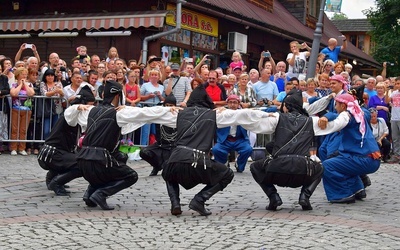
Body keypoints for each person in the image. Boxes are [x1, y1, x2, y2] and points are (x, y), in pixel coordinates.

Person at [64, 80, 179, 210]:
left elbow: (68, 114)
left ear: (103, 96)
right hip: (99, 160)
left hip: (82, 160)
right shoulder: (118, 113)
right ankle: (100, 194)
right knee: (130, 175)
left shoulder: (90, 110)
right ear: (118, 96)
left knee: (118, 159)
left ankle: (89, 194)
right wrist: (169, 109)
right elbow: (146, 113)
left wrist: (77, 107)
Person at [162, 84, 234, 216]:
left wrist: (124, 109)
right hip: (198, 161)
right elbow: (243, 115)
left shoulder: (177, 113)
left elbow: (148, 114)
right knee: (227, 174)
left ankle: (175, 202)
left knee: (169, 168)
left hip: (177, 158)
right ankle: (199, 200)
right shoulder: (215, 115)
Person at [249, 89, 324, 211]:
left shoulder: (277, 118)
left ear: (286, 106)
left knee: (255, 167)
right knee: (320, 168)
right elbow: (337, 122)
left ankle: (273, 196)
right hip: (303, 170)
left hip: (277, 169)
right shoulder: (312, 121)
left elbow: (253, 121)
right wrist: (327, 117)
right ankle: (305, 196)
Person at [320, 93, 380, 203]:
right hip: (372, 158)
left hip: (364, 159)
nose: (335, 107)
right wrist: (326, 116)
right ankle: (357, 189)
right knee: (342, 161)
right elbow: (334, 115)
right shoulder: (359, 113)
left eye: (336, 104)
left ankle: (343, 194)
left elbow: (340, 118)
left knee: (328, 165)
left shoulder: (348, 116)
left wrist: (325, 118)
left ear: (343, 106)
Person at [38, 85, 95, 196]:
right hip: (51, 154)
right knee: (82, 164)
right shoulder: (71, 114)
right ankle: (56, 182)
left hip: (56, 153)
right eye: (89, 106)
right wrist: (78, 107)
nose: (90, 109)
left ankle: (53, 177)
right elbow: (71, 110)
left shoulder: (78, 117)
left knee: (73, 157)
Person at [212, 95, 253, 173]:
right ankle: (224, 162)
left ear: (238, 104)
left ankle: (239, 164)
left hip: (239, 139)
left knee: (248, 149)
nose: (232, 105)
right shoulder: (222, 113)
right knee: (216, 149)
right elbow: (212, 114)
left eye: (235, 102)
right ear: (227, 104)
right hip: (225, 140)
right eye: (230, 102)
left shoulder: (243, 113)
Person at [140, 95, 178, 176]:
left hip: (173, 147)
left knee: (168, 166)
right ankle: (156, 166)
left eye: (171, 105)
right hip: (160, 145)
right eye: (166, 105)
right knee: (144, 152)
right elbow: (144, 112)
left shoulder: (179, 116)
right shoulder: (159, 115)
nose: (168, 108)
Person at [9, 67, 35, 156]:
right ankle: (13, 148)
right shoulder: (14, 84)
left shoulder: (30, 84)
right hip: (16, 109)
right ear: (18, 75)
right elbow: (13, 94)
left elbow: (31, 94)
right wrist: (20, 85)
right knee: (15, 129)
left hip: (26, 110)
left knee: (23, 130)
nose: (24, 75)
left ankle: (21, 148)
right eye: (22, 74)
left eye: (25, 74)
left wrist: (25, 85)